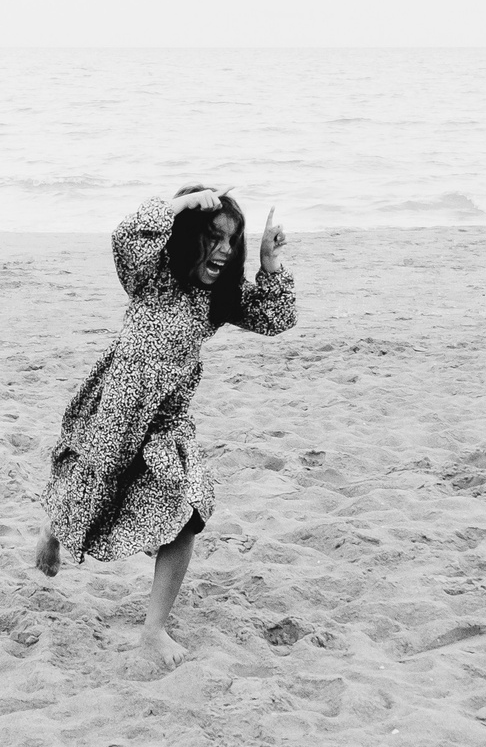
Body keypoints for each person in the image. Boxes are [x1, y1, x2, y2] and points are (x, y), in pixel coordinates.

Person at [35, 186, 297, 668]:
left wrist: (269, 264)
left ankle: (153, 630)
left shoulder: (216, 297)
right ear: (187, 237)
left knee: (187, 508)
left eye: (231, 240)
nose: (222, 249)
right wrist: (177, 205)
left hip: (168, 420)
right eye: (213, 236)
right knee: (88, 491)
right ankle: (55, 529)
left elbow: (276, 317)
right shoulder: (152, 276)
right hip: (118, 409)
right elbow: (127, 237)